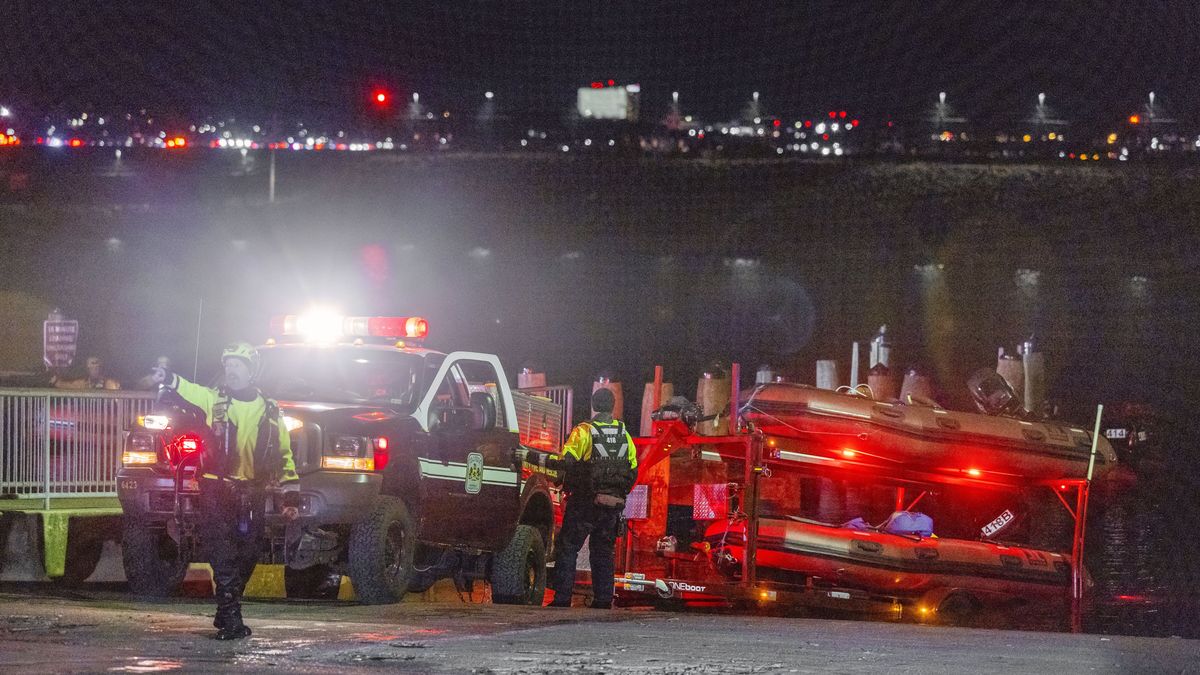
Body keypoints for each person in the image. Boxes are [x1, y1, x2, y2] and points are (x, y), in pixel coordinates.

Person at [151, 341, 299, 640]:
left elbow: (284, 454)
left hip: (253, 492)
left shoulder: (269, 410)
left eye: (237, 366)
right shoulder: (214, 400)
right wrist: (169, 378)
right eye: (228, 366)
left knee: (249, 554)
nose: (230, 371)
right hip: (215, 490)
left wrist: (289, 495)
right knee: (223, 554)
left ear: (251, 371)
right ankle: (232, 619)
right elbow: (189, 388)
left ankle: (226, 609)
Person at [547, 387, 638, 609]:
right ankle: (603, 600)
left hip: (584, 502)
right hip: (612, 505)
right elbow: (633, 469)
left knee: (568, 547)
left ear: (594, 405)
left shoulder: (584, 431)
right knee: (603, 552)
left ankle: (561, 600)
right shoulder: (623, 434)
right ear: (613, 405)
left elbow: (566, 460)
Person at [51, 355, 121, 390]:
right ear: (88, 369)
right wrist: (55, 381)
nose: (95, 370)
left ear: (101, 368)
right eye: (92, 368)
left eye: (97, 368)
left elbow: (118, 401)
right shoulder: (83, 382)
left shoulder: (109, 383)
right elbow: (67, 385)